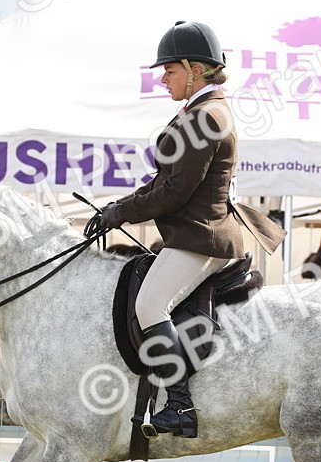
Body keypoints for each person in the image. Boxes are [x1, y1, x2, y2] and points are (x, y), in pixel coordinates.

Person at [98, 21, 285, 439]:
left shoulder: (206, 117)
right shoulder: (200, 111)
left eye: (169, 70)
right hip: (195, 232)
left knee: (149, 306)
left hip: (204, 236)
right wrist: (117, 208)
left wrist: (118, 214)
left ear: (194, 68)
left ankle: (180, 406)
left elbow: (173, 192)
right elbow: (167, 183)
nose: (163, 79)